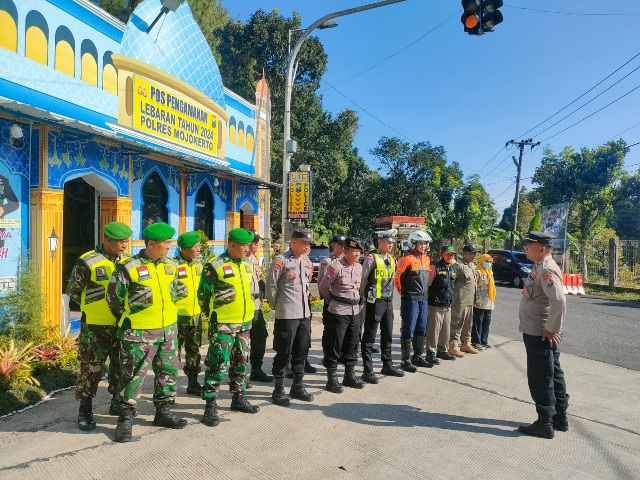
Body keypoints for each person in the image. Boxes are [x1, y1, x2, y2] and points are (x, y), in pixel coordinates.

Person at [107, 222, 187, 443]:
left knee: (168, 372)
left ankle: (163, 412)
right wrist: (132, 320)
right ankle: (125, 418)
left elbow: (178, 293)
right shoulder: (128, 267)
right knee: (133, 375)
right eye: (166, 242)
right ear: (151, 243)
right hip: (139, 332)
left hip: (168, 330)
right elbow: (113, 299)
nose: (170, 246)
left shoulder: (171, 265)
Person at [67, 221, 131, 431]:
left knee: (120, 367)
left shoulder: (128, 262)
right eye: (121, 241)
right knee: (91, 369)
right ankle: (85, 410)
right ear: (107, 239)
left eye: (126, 240)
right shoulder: (88, 261)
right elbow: (73, 291)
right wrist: (96, 303)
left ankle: (115, 402)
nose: (124, 244)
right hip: (95, 327)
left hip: (121, 325)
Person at [198, 228, 260, 427]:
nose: (247, 249)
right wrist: (215, 317)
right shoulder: (214, 266)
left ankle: (238, 397)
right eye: (244, 245)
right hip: (223, 325)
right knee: (217, 364)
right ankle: (210, 404)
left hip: (244, 324)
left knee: (241, 362)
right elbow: (203, 296)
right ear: (232, 244)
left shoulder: (248, 265)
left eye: (249, 245)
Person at [517, 232, 569, 439]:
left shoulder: (546, 269)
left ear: (542, 248)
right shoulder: (540, 266)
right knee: (553, 372)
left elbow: (558, 301)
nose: (526, 249)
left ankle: (544, 423)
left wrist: (551, 329)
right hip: (540, 329)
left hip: (540, 332)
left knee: (541, 375)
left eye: (529, 246)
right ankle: (559, 418)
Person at [266, 228, 315, 406]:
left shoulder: (307, 262)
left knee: (301, 351)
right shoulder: (281, 260)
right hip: (287, 314)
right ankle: (278, 390)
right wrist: (276, 307)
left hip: (304, 315)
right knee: (283, 352)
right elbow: (271, 285)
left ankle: (297, 386)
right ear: (293, 242)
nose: (306, 246)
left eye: (308, 243)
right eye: (303, 243)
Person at [318, 237, 365, 392]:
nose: (357, 254)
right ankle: (332, 379)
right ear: (345, 252)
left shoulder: (359, 267)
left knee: (352, 343)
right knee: (335, 345)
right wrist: (334, 302)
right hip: (338, 312)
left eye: (359, 251)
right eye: (354, 251)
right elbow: (324, 287)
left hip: (354, 312)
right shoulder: (335, 266)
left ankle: (349, 375)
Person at [360, 229, 404, 383]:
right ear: (380, 241)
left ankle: (387, 364)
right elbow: (363, 280)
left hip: (388, 301)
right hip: (375, 302)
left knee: (387, 335)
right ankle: (367, 370)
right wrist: (362, 297)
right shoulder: (371, 259)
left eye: (392, 242)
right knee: (370, 336)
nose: (391, 244)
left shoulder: (392, 259)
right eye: (388, 242)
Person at [393, 230, 433, 372]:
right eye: (420, 243)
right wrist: (403, 293)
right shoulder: (406, 259)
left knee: (422, 328)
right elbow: (397, 279)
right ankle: (405, 359)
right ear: (413, 244)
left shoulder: (427, 258)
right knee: (408, 329)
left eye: (425, 243)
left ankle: (418, 356)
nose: (423, 246)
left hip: (423, 299)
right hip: (410, 300)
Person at [174, 231, 204, 396]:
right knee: (172, 354)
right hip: (177, 318)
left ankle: (193, 383)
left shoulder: (199, 265)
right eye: (196, 246)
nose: (199, 249)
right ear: (184, 249)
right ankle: (168, 388)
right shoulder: (173, 266)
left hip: (195, 317)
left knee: (194, 351)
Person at [247, 230, 274, 383]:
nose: (256, 244)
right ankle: (236, 373)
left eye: (258, 241)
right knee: (240, 342)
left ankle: (256, 369)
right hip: (243, 307)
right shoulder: (239, 259)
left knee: (260, 336)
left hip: (256, 306)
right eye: (253, 241)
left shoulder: (254, 259)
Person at [426, 245, 457, 364]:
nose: (450, 256)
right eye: (448, 254)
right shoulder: (435, 267)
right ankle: (430, 353)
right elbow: (428, 285)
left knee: (445, 329)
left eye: (452, 254)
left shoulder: (452, 268)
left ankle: (442, 350)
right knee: (434, 330)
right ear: (442, 254)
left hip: (447, 304)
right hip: (435, 304)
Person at [449, 244, 480, 357]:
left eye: (475, 253)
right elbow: (450, 282)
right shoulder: (458, 266)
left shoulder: (471, 266)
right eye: (472, 253)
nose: (474, 255)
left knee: (468, 324)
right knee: (456, 324)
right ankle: (453, 346)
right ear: (465, 253)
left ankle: (466, 343)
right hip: (459, 301)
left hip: (470, 301)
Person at [472, 254, 495, 349]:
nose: (488, 263)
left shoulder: (490, 272)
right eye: (487, 261)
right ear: (482, 261)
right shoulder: (478, 271)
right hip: (479, 301)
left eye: (490, 262)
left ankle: (484, 341)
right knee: (478, 321)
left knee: (487, 321)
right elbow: (473, 286)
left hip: (488, 301)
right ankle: (476, 341)